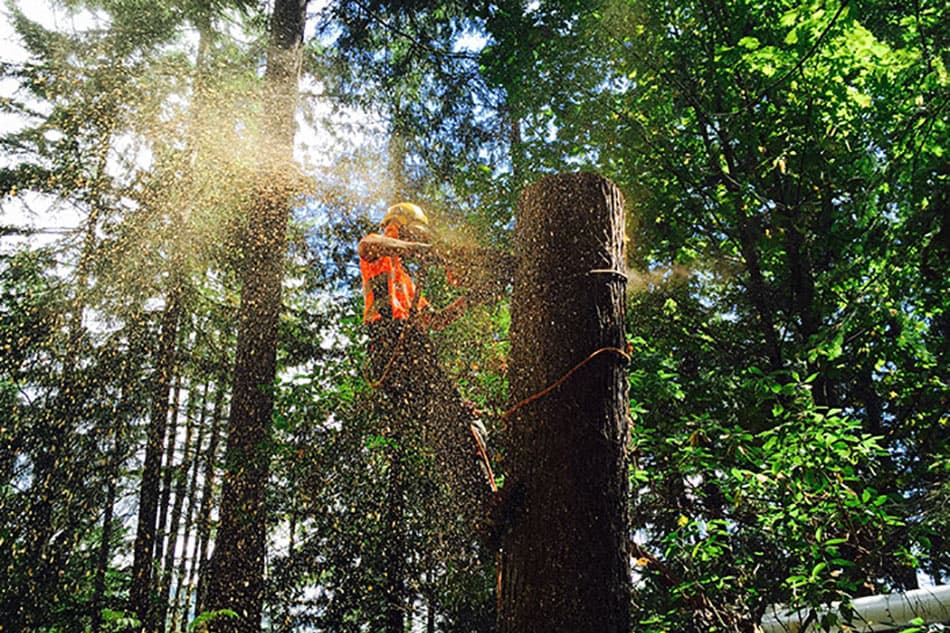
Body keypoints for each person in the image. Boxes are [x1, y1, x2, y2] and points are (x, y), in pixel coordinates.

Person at [359, 202, 496, 516]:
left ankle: (481, 505)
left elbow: (434, 321)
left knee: (451, 425)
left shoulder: (405, 281)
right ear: (401, 225)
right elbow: (370, 245)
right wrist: (424, 249)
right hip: (389, 344)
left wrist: (470, 300)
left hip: (411, 349)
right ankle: (484, 501)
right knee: (457, 417)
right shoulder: (377, 254)